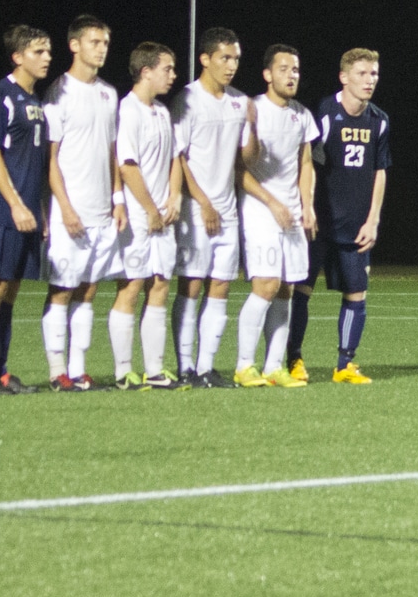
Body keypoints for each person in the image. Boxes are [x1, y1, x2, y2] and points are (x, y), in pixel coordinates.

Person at [39, 16, 122, 389]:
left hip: (102, 211)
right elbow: (50, 159)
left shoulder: (109, 93)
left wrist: (117, 199)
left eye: (105, 42)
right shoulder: (59, 93)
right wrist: (66, 208)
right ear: (74, 45)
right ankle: (57, 372)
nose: (101, 48)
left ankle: (77, 369)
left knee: (89, 290)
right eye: (94, 41)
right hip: (68, 211)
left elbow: (112, 152)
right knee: (62, 288)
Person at [303, 48, 391, 383]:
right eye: (363, 73)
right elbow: (307, 162)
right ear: (344, 77)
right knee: (301, 291)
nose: (370, 81)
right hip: (320, 224)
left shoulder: (379, 120)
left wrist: (373, 220)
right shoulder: (326, 112)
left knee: (357, 293)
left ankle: (344, 365)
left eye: (374, 74)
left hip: (356, 227)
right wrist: (307, 207)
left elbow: (379, 171)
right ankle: (293, 360)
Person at [0, 27, 51, 393]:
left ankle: (0, 370)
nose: (46, 57)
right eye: (38, 51)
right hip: (1, 211)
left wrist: (40, 210)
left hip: (28, 212)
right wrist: (16, 204)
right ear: (18, 57)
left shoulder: (36, 102)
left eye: (47, 50)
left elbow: (35, 163)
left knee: (13, 290)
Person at [234, 43, 318, 387]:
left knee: (287, 288)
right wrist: (273, 203)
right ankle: (243, 366)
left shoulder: (302, 115)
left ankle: (273, 368)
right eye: (284, 69)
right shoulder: (252, 110)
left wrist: (308, 205)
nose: (291, 75)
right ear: (268, 74)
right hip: (261, 210)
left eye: (295, 69)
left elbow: (306, 163)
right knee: (266, 286)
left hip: (292, 213)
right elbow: (241, 169)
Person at [170, 27, 248, 387]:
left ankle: (205, 367)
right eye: (224, 58)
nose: (231, 66)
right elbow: (180, 157)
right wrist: (201, 202)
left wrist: (256, 132)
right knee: (191, 285)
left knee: (220, 287)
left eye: (235, 59)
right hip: (196, 210)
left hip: (228, 211)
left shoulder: (238, 102)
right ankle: (185, 365)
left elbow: (242, 158)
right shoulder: (187, 99)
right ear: (205, 59)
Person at [110, 42, 183, 388]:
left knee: (161, 284)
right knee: (132, 285)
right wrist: (150, 209)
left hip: (162, 216)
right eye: (167, 69)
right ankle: (124, 371)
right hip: (139, 215)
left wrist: (175, 196)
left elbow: (174, 160)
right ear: (146, 71)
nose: (173, 75)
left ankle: (154, 370)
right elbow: (127, 166)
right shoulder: (128, 111)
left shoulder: (163, 112)